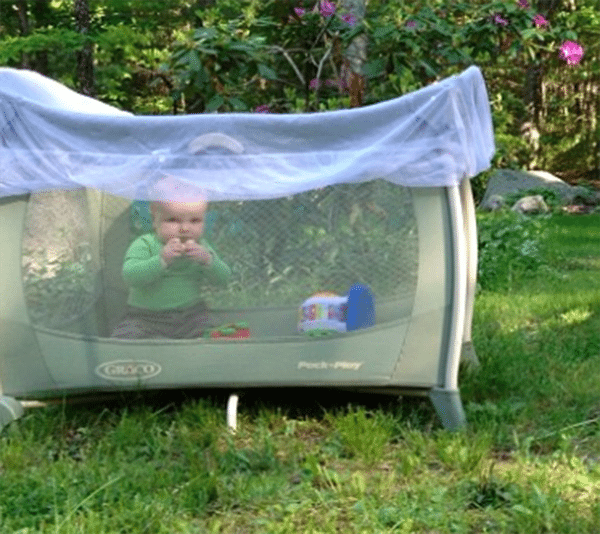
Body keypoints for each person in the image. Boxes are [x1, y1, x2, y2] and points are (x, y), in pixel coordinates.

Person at [111, 183, 231, 339]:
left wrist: (208, 260)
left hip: (192, 315)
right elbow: (130, 276)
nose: (185, 228)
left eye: (194, 220)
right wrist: (161, 260)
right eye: (173, 220)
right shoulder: (146, 243)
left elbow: (224, 279)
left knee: (220, 333)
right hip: (146, 318)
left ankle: (190, 349)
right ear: (155, 220)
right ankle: (158, 346)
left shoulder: (202, 247)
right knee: (125, 337)